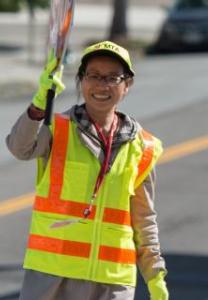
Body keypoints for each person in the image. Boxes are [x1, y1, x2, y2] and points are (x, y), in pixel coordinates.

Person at [6, 40, 169, 300]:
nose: (102, 85)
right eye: (93, 76)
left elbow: (144, 219)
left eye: (113, 78)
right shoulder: (57, 129)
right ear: (81, 81)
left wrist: (155, 274)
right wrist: (38, 105)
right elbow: (19, 148)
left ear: (127, 85)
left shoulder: (144, 147)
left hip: (112, 281)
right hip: (52, 278)